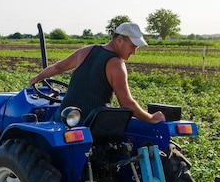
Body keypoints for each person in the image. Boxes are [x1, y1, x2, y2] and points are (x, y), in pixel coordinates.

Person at [29, 22, 165, 124]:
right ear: (119, 40)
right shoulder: (116, 64)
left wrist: (36, 78)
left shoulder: (85, 51)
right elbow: (127, 103)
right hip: (93, 123)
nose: (134, 52)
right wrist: (151, 118)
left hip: (67, 118)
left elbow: (57, 67)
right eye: (132, 46)